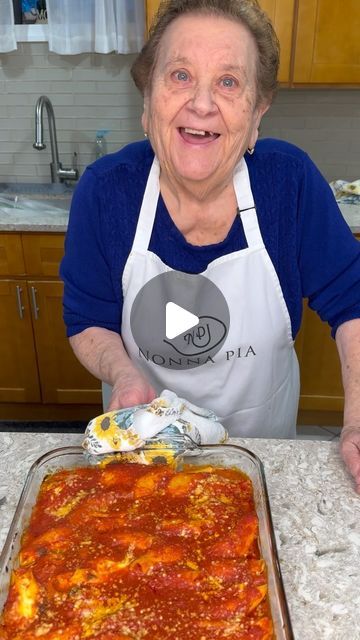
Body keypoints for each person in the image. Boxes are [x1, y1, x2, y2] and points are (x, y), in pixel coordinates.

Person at [60, 0, 360, 492]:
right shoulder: (107, 191)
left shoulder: (289, 183)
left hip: (262, 459)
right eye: (180, 75)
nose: (201, 104)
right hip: (146, 458)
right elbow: (87, 318)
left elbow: (353, 302)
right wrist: (123, 374)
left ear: (257, 113)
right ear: (147, 99)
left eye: (227, 82)